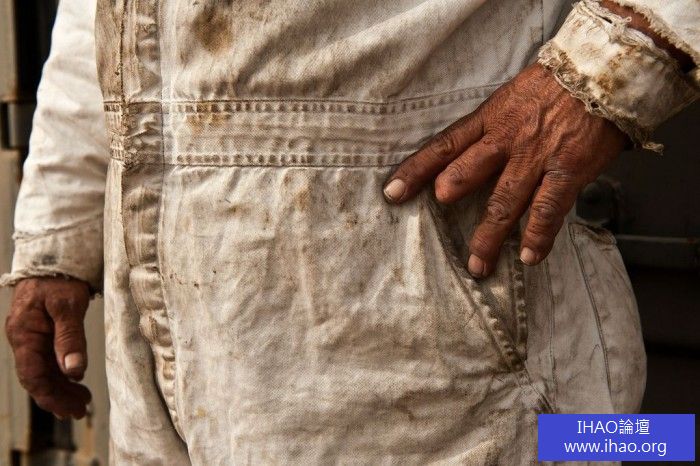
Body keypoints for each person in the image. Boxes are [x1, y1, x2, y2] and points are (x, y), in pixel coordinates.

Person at [3, 0, 698, 463]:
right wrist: (58, 234)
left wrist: (619, 62)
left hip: (423, 286)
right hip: (173, 297)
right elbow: (103, 18)